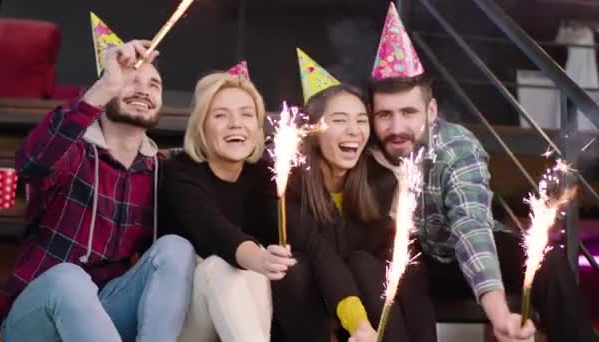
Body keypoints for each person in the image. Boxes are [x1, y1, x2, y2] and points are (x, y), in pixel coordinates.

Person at [367, 5, 597, 341]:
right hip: (412, 263)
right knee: (401, 270)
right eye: (384, 115)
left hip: (466, 251)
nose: (397, 127)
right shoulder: (360, 148)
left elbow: (470, 228)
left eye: (408, 112)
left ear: (431, 110)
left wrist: (500, 314)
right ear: (371, 116)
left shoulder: (456, 147)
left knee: (551, 261)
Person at [0, 40, 195, 342]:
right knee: (70, 278)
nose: (143, 90)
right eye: (131, 79)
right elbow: (31, 162)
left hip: (105, 315)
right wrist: (105, 86)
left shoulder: (157, 171)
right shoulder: (74, 151)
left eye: (154, 85)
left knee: (177, 248)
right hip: (37, 319)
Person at [272, 79, 435, 342]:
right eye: (339, 120)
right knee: (294, 267)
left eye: (361, 120)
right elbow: (319, 252)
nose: (353, 130)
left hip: (361, 295)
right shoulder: (288, 183)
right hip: (307, 301)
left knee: (394, 264)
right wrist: (358, 324)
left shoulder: (380, 182)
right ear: (313, 129)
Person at [160, 70, 296, 342]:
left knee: (255, 267)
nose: (236, 124)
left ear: (257, 126)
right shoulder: (180, 172)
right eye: (221, 115)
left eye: (246, 114)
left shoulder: (263, 175)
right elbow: (214, 230)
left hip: (245, 321)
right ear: (201, 125)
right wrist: (259, 259)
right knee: (220, 267)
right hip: (184, 324)